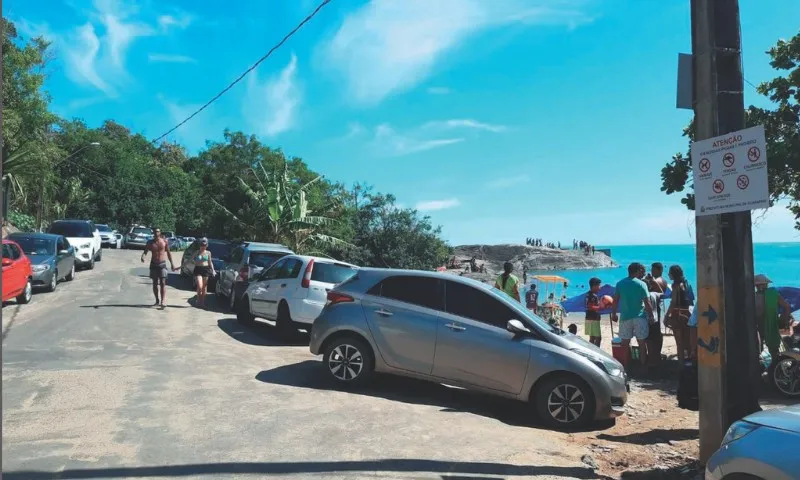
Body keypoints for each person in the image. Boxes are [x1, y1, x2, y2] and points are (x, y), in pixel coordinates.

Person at [611, 262, 655, 368]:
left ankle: (626, 366)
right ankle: (642, 366)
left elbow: (615, 301)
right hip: (640, 316)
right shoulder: (641, 284)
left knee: (625, 343)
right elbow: (647, 302)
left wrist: (614, 314)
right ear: (637, 271)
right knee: (641, 343)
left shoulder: (620, 283)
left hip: (625, 317)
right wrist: (651, 315)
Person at [754, 274, 792, 362]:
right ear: (766, 284)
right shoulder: (773, 294)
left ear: (757, 285)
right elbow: (787, 307)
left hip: (757, 327)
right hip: (771, 325)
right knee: (774, 352)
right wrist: (783, 319)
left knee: (757, 352)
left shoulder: (753, 297)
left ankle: (762, 369)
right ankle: (775, 369)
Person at [140, 227, 177, 308]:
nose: (156, 233)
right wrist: (143, 256)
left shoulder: (164, 241)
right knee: (155, 283)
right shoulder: (150, 242)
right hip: (153, 264)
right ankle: (157, 300)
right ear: (153, 233)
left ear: (160, 233)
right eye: (155, 232)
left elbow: (169, 253)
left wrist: (172, 264)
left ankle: (163, 301)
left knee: (163, 282)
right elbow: (145, 251)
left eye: (157, 231)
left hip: (162, 264)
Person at [665, 264, 694, 363]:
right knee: (688, 342)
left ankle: (681, 365)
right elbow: (691, 300)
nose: (668, 274)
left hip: (677, 314)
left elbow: (673, 302)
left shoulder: (675, 285)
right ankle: (690, 363)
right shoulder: (687, 283)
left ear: (674, 274)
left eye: (669, 273)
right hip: (687, 314)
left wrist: (666, 316)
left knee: (679, 343)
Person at [644, 262, 667, 364]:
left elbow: (648, 293)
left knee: (651, 334)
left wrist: (648, 281)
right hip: (657, 307)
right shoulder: (664, 281)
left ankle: (652, 355)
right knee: (657, 333)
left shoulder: (656, 281)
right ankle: (657, 353)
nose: (652, 271)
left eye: (654, 270)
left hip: (653, 308)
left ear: (660, 270)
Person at [192, 238, 216, 308]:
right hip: (198, 269)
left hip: (206, 269)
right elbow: (191, 259)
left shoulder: (208, 253)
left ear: (206, 246)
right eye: (202, 245)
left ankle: (202, 302)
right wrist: (180, 267)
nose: (203, 247)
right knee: (200, 285)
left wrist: (213, 270)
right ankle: (198, 300)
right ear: (200, 245)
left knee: (204, 287)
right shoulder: (197, 252)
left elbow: (210, 262)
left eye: (204, 245)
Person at [585, 277, 603, 347]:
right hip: (593, 319)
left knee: (592, 338)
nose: (600, 287)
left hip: (589, 318)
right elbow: (590, 307)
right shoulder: (592, 296)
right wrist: (601, 307)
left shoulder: (588, 294)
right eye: (599, 285)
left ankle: (592, 352)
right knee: (598, 338)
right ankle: (597, 353)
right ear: (594, 286)